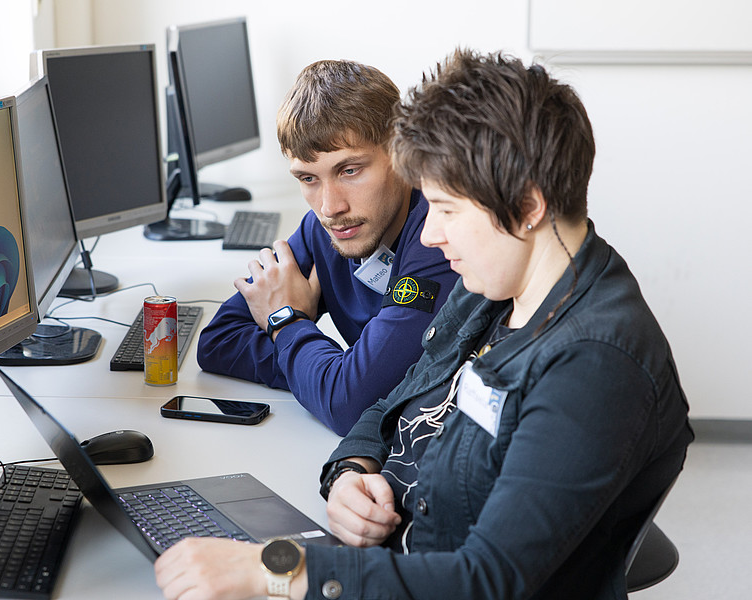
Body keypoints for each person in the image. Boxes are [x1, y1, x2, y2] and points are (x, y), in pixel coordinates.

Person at [155, 48, 694, 599]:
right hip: (381, 561)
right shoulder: (493, 291)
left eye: (446, 209)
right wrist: (350, 471)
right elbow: (390, 402)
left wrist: (277, 571)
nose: (430, 236)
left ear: (527, 206)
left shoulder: (594, 365)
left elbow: (487, 583)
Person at [195, 60, 460, 436]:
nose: (330, 207)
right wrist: (328, 375)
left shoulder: (441, 239)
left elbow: (349, 404)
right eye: (308, 178)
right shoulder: (327, 229)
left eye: (350, 170)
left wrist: (288, 324)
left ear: (401, 152)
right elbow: (218, 342)